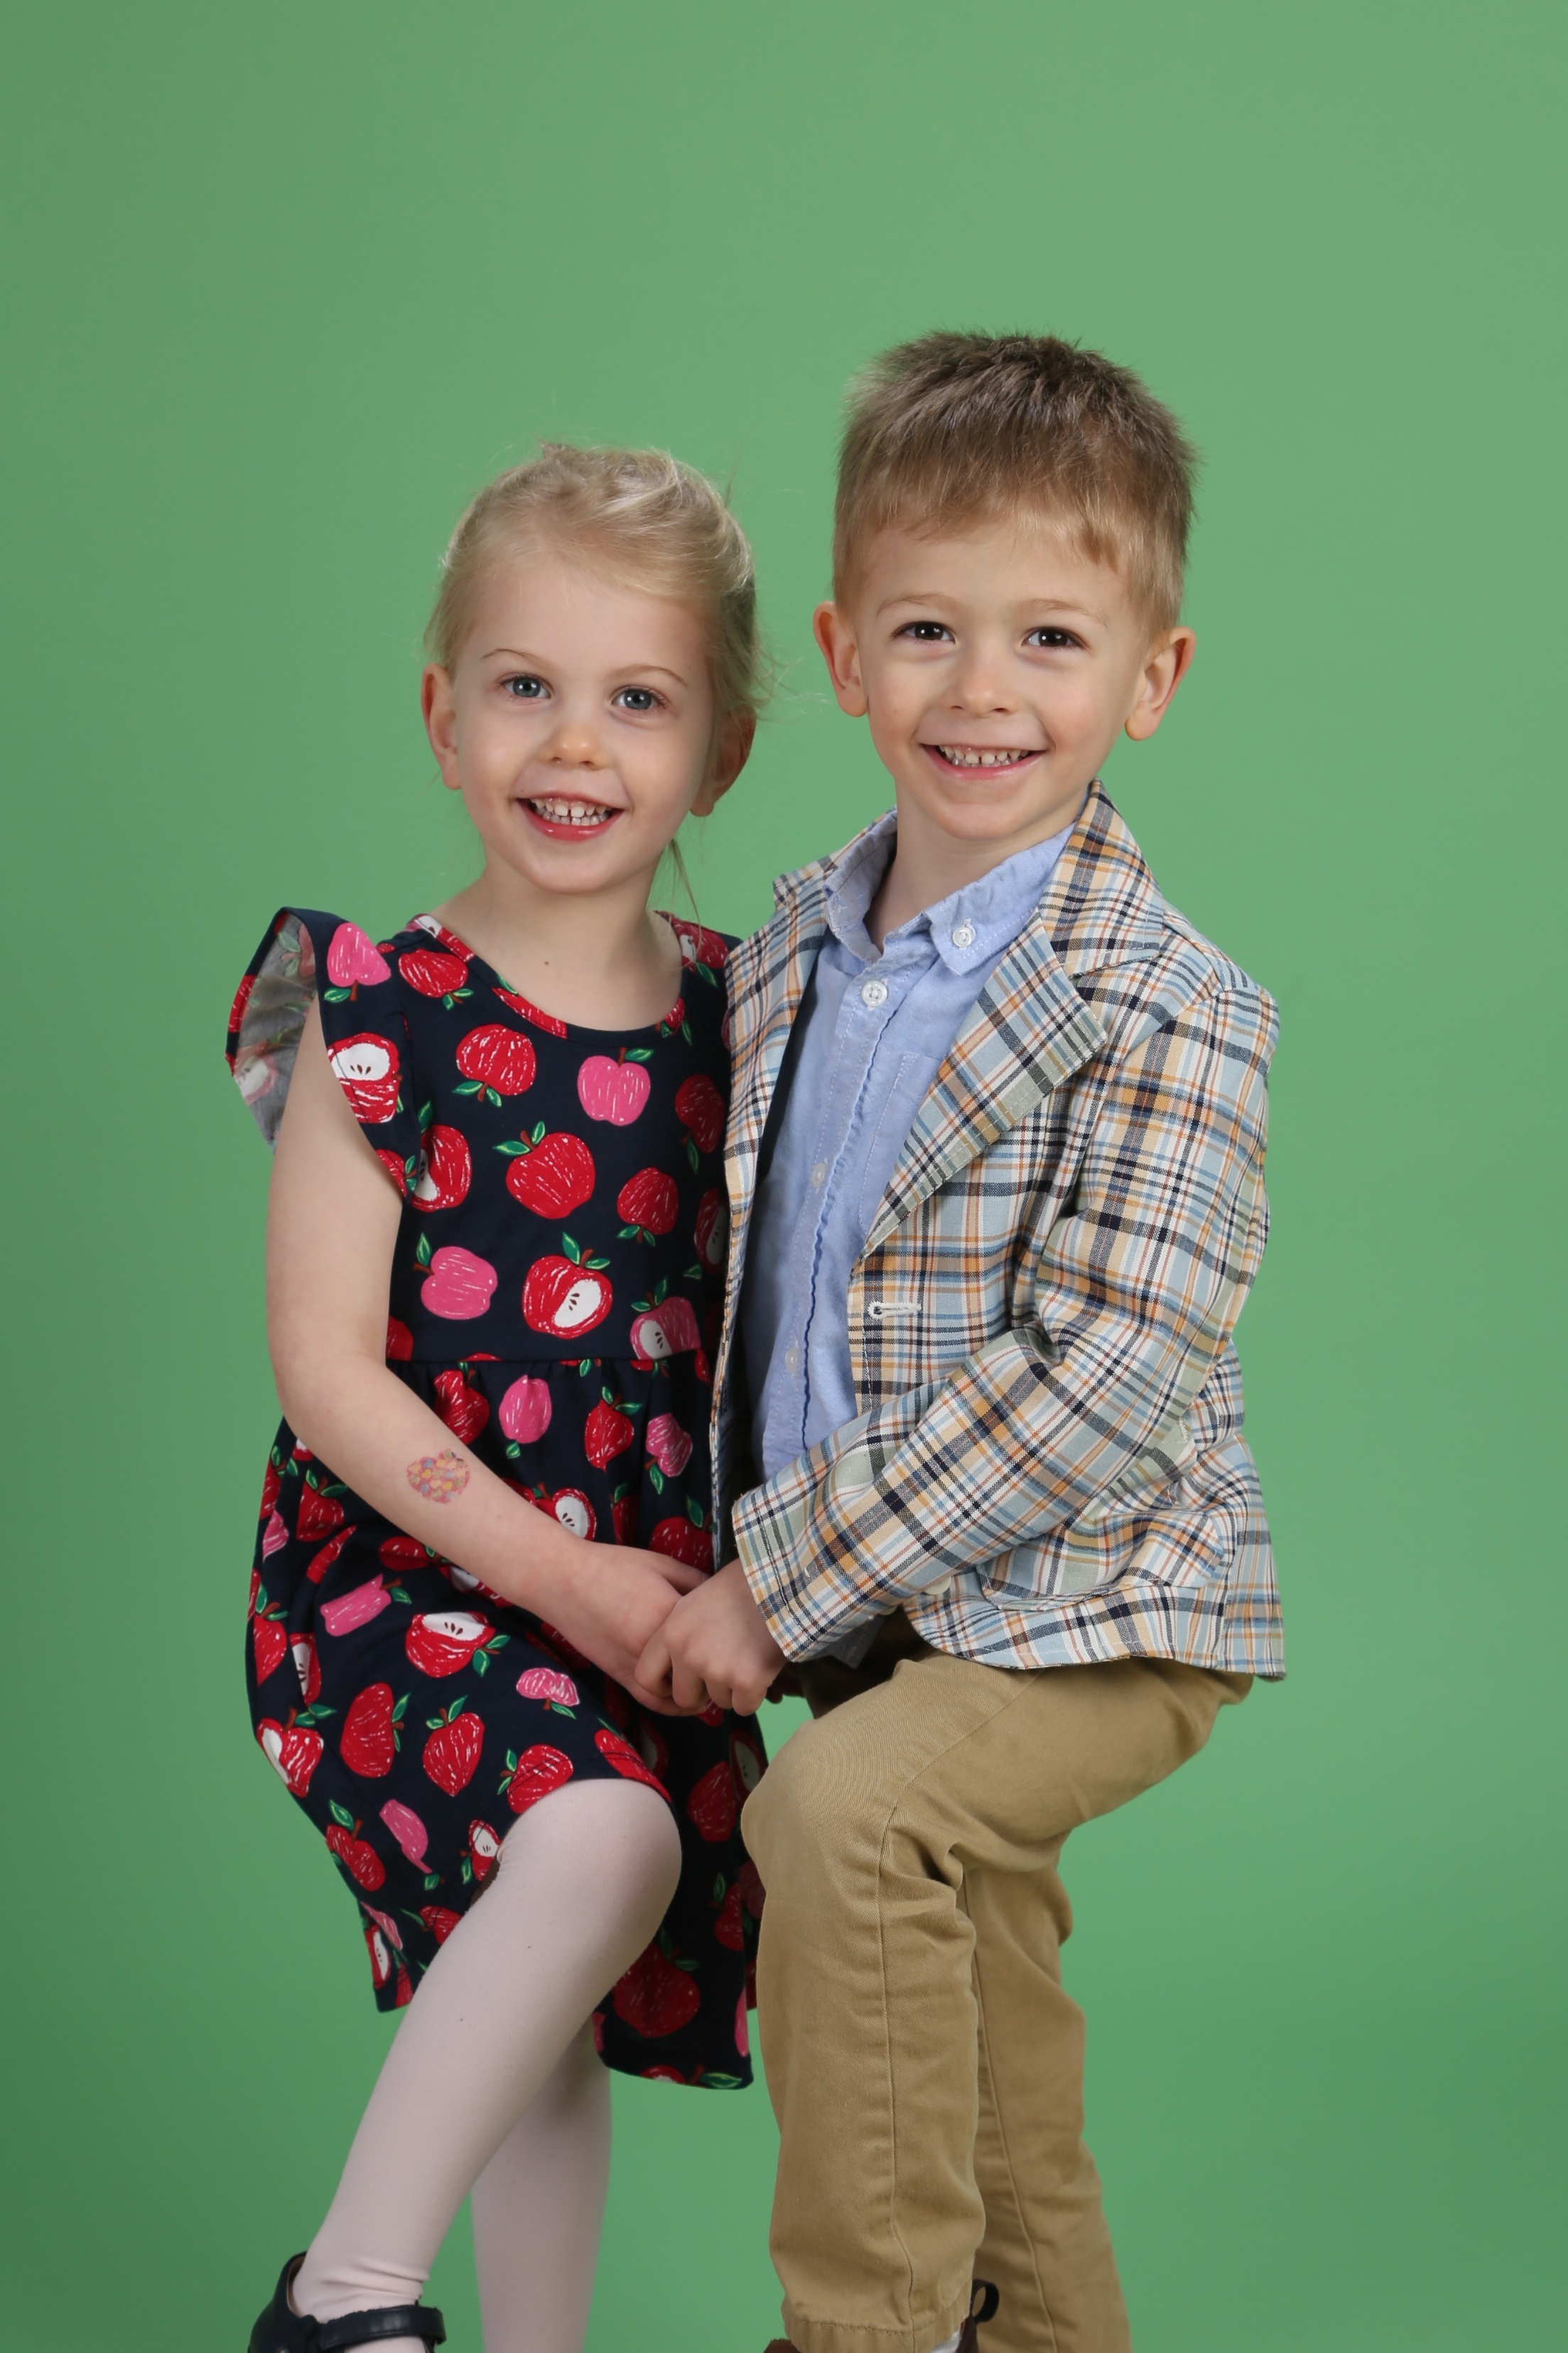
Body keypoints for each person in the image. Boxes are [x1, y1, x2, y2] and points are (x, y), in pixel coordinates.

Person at [637, 334, 1284, 2353]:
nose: (982, 690)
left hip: (1103, 1602)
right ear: (844, 653)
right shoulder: (783, 949)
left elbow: (1108, 1378)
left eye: (1050, 640)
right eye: (928, 629)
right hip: (897, 1614)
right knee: (984, 2012)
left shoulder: (1173, 1006)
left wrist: (778, 1583)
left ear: (1151, 678)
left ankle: (858, 2332)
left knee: (845, 1817)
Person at [230, 443, 767, 2353]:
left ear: (723, 749)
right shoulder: (371, 1012)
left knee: (553, 1990)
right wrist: (558, 1578)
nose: (576, 743)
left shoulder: (746, 1015)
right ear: (443, 712)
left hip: (653, 1587)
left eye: (641, 699)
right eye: (526, 684)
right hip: (405, 1576)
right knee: (605, 1841)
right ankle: (344, 2298)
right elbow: (326, 1370)